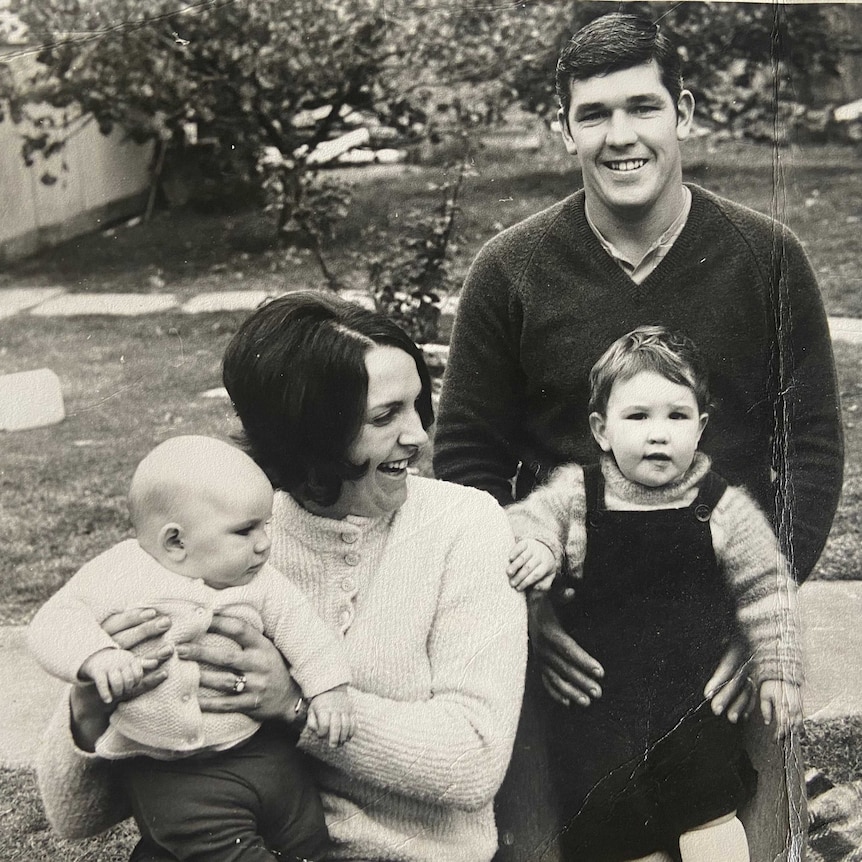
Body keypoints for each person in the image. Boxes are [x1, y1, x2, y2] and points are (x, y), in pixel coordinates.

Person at [433, 12, 843, 862]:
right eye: (594, 114)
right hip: (571, 649)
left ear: (682, 112)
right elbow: (468, 466)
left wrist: (755, 624)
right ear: (565, 128)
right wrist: (526, 618)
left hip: (716, 642)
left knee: (748, 846)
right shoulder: (511, 269)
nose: (620, 137)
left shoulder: (766, 257)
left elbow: (807, 452)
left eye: (642, 107)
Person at [36, 291, 528, 862]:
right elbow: (74, 820)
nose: (418, 436)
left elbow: (473, 762)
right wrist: (91, 705)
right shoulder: (228, 537)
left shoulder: (464, 526)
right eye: (385, 416)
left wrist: (295, 706)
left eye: (419, 406)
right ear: (311, 431)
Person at [506, 326, 802, 861]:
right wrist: (541, 548)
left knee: (710, 820)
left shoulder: (723, 507)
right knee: (616, 834)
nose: (658, 434)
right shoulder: (577, 496)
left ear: (702, 427)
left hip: (693, 708)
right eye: (638, 417)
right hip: (598, 712)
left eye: (677, 416)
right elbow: (527, 522)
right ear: (601, 429)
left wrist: (777, 666)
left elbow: (767, 586)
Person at [29, 434, 354, 861]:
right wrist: (96, 657)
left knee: (307, 840)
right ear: (175, 542)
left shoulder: (261, 582)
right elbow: (54, 621)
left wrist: (329, 689)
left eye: (265, 526)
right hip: (170, 771)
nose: (263, 544)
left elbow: (305, 631)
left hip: (263, 749)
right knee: (217, 848)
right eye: (244, 531)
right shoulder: (121, 573)